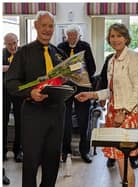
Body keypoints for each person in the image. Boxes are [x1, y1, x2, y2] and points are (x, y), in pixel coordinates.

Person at [6, 11, 67, 187]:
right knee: (31, 162)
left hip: (56, 114)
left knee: (52, 162)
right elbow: (10, 82)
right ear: (36, 26)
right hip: (33, 115)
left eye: (51, 26)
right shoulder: (23, 53)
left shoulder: (59, 54)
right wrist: (29, 93)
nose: (47, 30)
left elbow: (64, 81)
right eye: (44, 25)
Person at [75, 23, 138, 187]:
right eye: (112, 36)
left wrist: (123, 112)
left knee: (124, 159)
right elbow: (111, 91)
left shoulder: (133, 57)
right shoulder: (111, 60)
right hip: (113, 112)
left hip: (127, 113)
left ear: (126, 38)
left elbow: (137, 91)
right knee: (119, 158)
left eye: (119, 35)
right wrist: (90, 95)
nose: (115, 39)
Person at [58, 24, 96, 163]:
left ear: (79, 35)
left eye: (74, 35)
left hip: (82, 88)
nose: (72, 38)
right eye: (69, 35)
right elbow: (57, 67)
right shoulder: (60, 47)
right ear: (66, 36)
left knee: (83, 120)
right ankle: (65, 151)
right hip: (65, 88)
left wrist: (78, 72)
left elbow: (92, 67)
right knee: (65, 120)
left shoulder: (85, 46)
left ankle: (84, 151)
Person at [3, 33, 23, 162]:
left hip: (19, 91)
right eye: (9, 44)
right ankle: (2, 152)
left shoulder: (23, 53)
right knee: (2, 121)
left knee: (20, 122)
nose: (12, 46)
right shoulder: (1, 53)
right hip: (3, 91)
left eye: (14, 43)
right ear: (5, 44)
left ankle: (18, 151)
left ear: (18, 41)